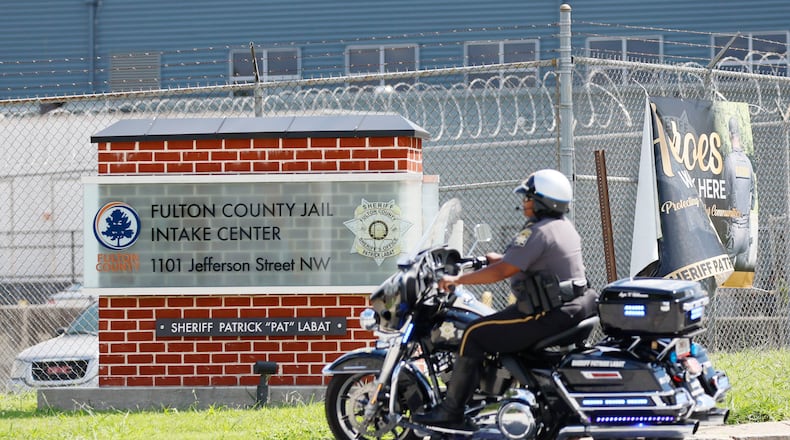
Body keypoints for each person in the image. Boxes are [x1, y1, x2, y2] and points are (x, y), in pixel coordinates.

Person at [412, 168, 598, 428]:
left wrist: (456, 280)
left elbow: (502, 272)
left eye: (529, 198)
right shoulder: (562, 227)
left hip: (546, 315)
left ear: (543, 201)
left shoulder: (537, 231)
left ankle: (451, 412)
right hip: (572, 308)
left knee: (474, 333)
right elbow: (525, 262)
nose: (524, 203)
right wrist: (495, 259)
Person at [722, 116, 756, 271]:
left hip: (733, 234)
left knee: (723, 280)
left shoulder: (729, 161)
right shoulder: (748, 163)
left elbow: (725, 194)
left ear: (730, 135)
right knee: (740, 283)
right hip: (746, 231)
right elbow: (753, 196)